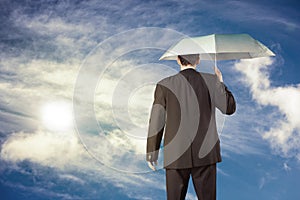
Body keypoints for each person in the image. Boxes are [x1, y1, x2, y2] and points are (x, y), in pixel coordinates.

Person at [146, 54, 236, 200]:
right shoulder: (211, 81)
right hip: (206, 153)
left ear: (177, 59)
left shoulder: (164, 85)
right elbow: (229, 108)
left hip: (175, 153)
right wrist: (220, 82)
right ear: (198, 60)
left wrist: (152, 150)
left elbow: (157, 120)